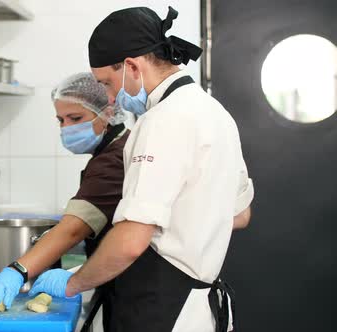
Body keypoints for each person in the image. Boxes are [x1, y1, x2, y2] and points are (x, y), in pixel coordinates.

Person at [28, 6, 255, 332]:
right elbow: (240, 214)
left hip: (162, 311)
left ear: (132, 66)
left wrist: (74, 282)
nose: (109, 97)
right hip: (199, 309)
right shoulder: (215, 113)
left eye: (106, 83)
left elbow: (132, 242)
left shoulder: (162, 121)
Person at [0, 72, 130, 330]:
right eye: (60, 120)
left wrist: (17, 271)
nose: (66, 128)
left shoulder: (113, 159)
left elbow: (73, 228)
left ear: (107, 112)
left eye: (75, 118)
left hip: (133, 290)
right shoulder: (108, 152)